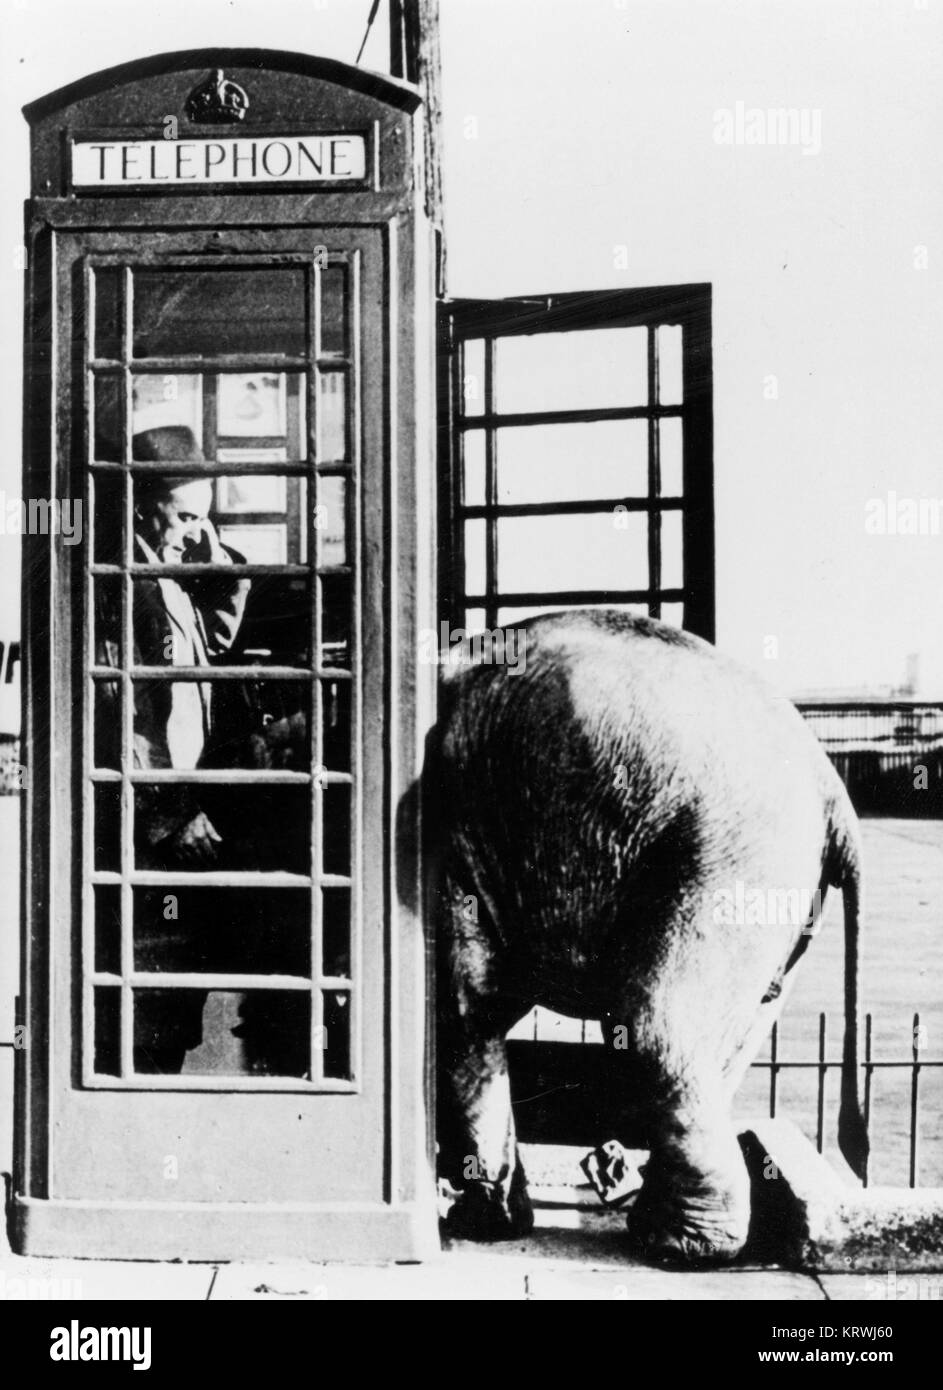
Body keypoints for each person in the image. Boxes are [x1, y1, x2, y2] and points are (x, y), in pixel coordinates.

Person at [95, 425, 252, 1071]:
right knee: (149, 992)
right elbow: (119, 713)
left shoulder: (166, 571)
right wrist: (168, 813)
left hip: (174, 810)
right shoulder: (116, 583)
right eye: (184, 514)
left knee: (173, 985)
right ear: (142, 500)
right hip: (147, 822)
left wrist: (212, 558)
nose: (193, 529)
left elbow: (213, 645)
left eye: (204, 518)